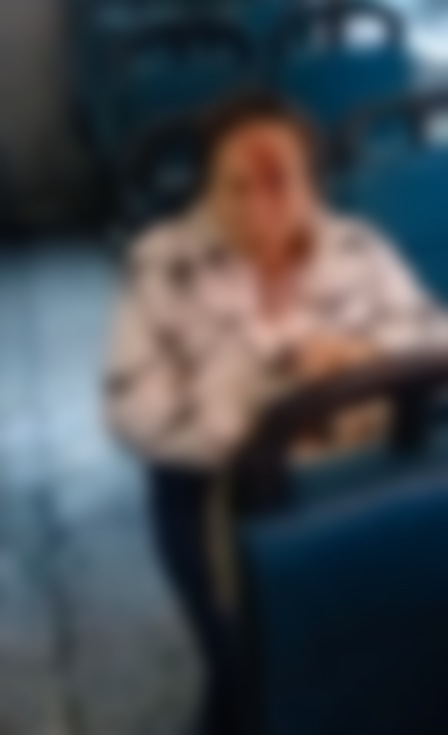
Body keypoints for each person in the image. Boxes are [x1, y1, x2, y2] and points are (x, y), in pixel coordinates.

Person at [104, 92, 447, 734]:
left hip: (363, 481)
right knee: (248, 668)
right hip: (216, 492)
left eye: (278, 182)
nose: (257, 205)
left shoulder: (359, 248)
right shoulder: (162, 260)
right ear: (207, 186)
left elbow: (434, 341)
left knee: (369, 658)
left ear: (312, 182)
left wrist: (364, 358)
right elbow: (132, 404)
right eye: (235, 186)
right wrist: (258, 424)